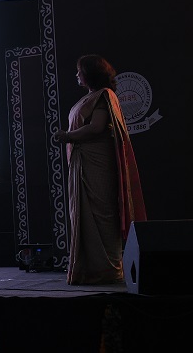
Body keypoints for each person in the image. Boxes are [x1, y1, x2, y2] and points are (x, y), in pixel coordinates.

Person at [54, 54, 146, 285]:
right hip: (84, 161)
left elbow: (96, 128)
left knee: (102, 214)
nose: (77, 74)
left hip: (97, 163)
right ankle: (89, 270)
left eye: (80, 70)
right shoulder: (90, 97)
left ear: (90, 73)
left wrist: (67, 136)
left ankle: (109, 270)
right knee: (85, 215)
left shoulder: (104, 95)